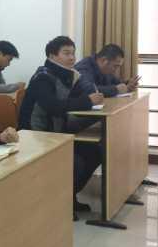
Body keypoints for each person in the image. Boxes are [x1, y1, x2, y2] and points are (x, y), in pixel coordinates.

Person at [17, 36, 104, 221]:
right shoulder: (42, 77)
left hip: (56, 133)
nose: (72, 57)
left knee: (94, 151)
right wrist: (87, 101)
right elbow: (53, 106)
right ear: (52, 56)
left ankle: (69, 196)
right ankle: (59, 201)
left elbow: (79, 96)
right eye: (66, 53)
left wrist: (92, 96)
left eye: (73, 53)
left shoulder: (69, 75)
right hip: (35, 135)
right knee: (75, 162)